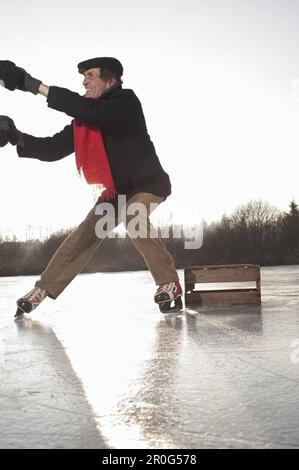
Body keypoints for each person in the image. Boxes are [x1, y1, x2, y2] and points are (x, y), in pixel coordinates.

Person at [0, 57, 183, 316]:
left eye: (90, 76)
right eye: (83, 76)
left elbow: (89, 110)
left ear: (110, 80)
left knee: (135, 215)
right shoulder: (83, 121)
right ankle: (43, 288)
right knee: (84, 235)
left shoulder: (125, 103)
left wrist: (33, 86)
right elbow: (52, 148)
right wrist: (15, 137)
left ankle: (169, 283)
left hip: (147, 184)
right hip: (115, 193)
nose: (84, 81)